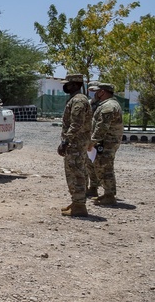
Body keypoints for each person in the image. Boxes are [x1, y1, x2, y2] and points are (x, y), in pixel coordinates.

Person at [55, 74, 92, 216]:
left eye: (68, 84)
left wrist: (66, 141)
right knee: (74, 171)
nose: (65, 87)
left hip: (75, 143)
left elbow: (76, 123)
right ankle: (76, 202)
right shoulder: (76, 99)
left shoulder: (78, 101)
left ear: (76, 85)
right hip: (76, 142)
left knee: (76, 172)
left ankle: (80, 205)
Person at [88, 82, 123, 206]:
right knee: (101, 166)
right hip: (106, 142)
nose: (95, 94)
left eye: (97, 91)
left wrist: (92, 142)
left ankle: (109, 195)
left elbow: (102, 127)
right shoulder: (107, 104)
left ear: (102, 92)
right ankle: (107, 193)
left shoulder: (108, 106)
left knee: (105, 168)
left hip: (107, 142)